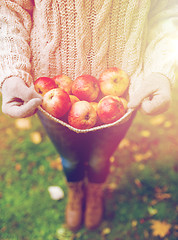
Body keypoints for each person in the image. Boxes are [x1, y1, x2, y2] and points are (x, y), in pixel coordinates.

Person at [0, 0, 177, 231]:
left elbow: (166, 9)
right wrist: (12, 71)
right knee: (70, 158)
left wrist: (161, 70)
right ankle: (76, 191)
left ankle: (95, 191)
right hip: (51, 93)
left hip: (122, 95)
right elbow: (12, 6)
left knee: (101, 157)